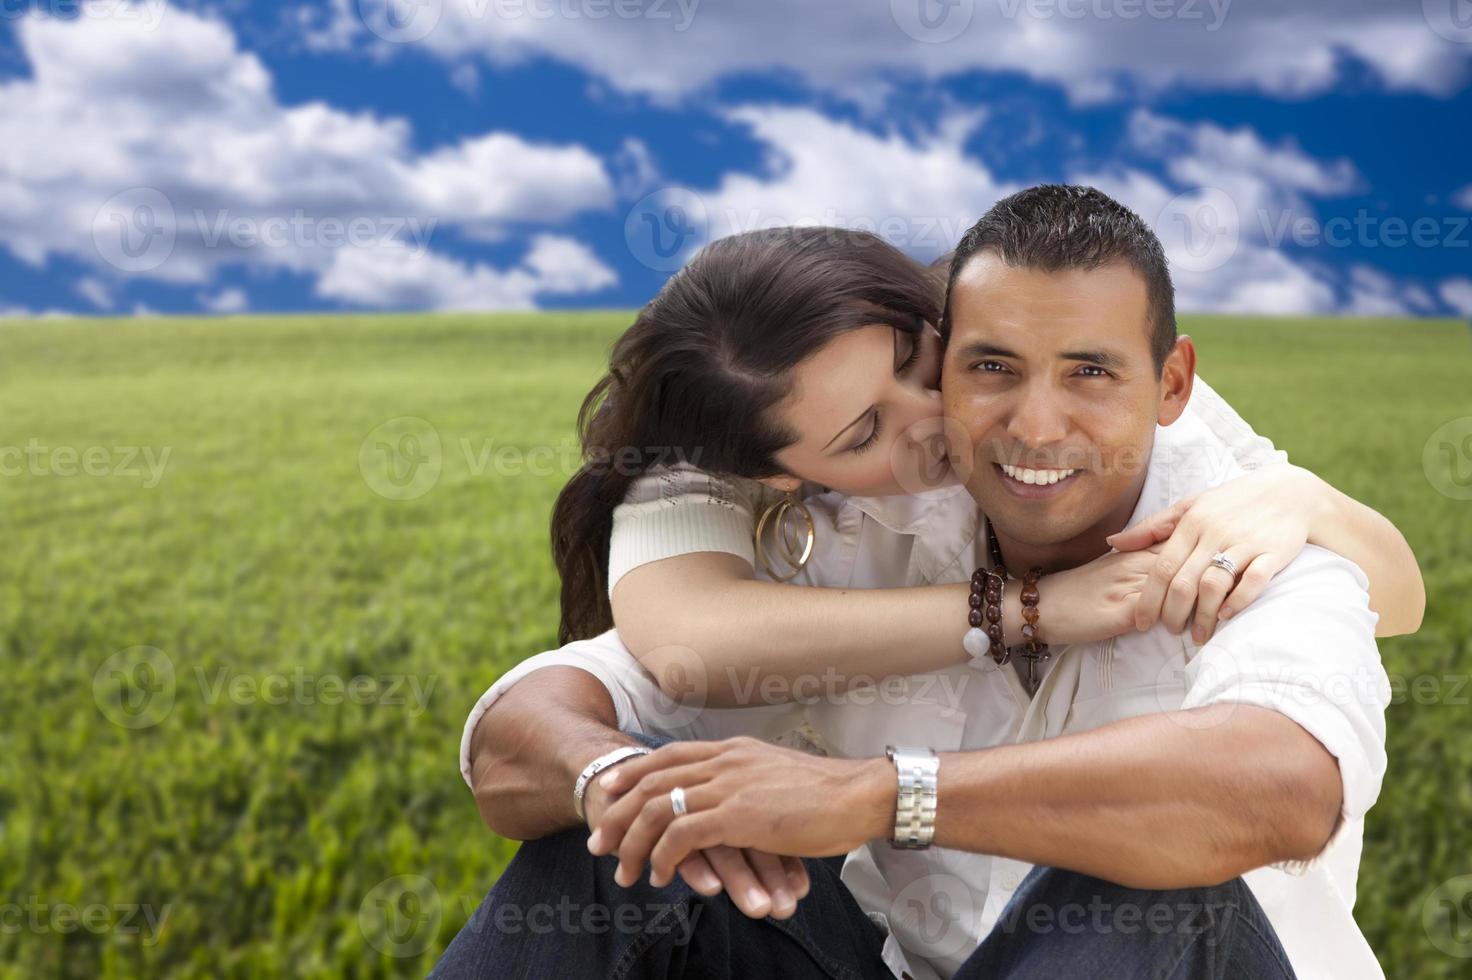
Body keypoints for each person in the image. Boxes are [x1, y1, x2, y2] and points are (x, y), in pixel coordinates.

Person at [436, 189, 1411, 979]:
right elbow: (539, 718)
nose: (1025, 422)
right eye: (987, 369)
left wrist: (881, 794)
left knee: (1162, 876)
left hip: (1181, 959)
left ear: (1167, 383)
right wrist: (619, 782)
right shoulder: (850, 529)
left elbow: (1274, 784)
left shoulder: (1241, 523)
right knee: (619, 850)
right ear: (791, 471)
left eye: (919, 361)